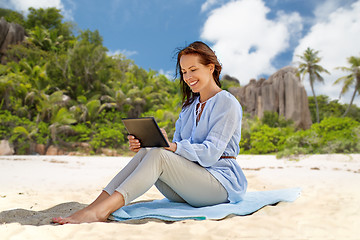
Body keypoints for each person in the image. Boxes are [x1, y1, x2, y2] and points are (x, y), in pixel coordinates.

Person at [52, 41, 247, 224]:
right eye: (184, 71)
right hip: (189, 187)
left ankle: (102, 211)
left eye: (193, 70)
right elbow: (177, 150)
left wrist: (171, 147)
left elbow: (211, 153)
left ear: (211, 67)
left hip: (220, 186)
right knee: (151, 150)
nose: (187, 77)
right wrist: (152, 143)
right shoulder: (188, 108)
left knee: (159, 154)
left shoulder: (227, 103)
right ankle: (94, 206)